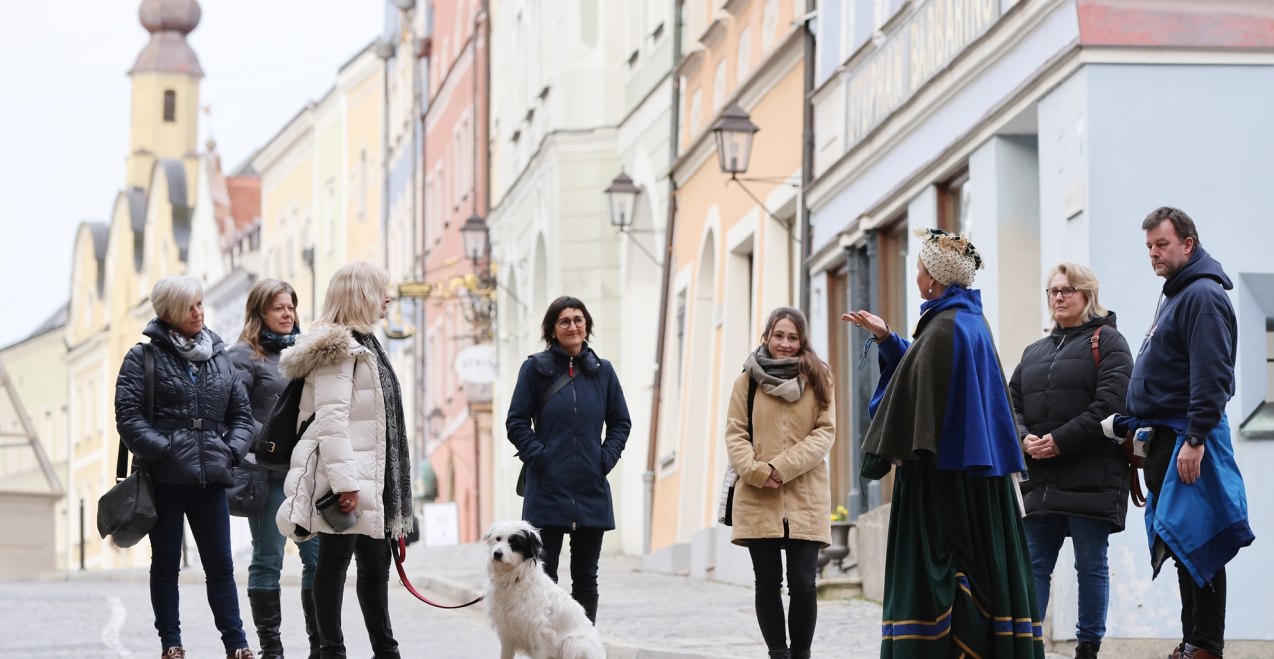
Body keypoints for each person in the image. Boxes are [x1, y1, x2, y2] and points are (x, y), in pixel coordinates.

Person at [844, 229, 1044, 658]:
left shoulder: (946, 329)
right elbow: (924, 381)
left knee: (951, 574)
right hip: (974, 478)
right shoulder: (966, 321)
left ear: (934, 279)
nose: (916, 276)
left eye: (919, 269)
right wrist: (888, 339)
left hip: (944, 484)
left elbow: (915, 390)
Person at [1107, 207, 1254, 659]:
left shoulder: (1203, 295)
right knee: (1181, 542)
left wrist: (1195, 440)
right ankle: (1193, 641)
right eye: (1149, 246)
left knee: (1199, 540)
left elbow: (1213, 378)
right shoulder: (1176, 293)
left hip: (1189, 440)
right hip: (1169, 438)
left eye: (1162, 244)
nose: (1153, 253)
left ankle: (1205, 646)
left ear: (1188, 244)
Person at [113, 275, 257, 659]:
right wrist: (166, 451)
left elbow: (241, 416)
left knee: (221, 566)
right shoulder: (141, 358)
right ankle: (171, 644)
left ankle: (237, 644)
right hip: (164, 478)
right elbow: (128, 419)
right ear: (170, 312)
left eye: (200, 304)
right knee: (165, 565)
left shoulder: (219, 357)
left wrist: (229, 452)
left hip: (211, 477)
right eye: (190, 306)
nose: (199, 311)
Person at [275, 263, 412, 658]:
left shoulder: (369, 344)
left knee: (375, 568)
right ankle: (332, 651)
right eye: (381, 290)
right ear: (362, 295)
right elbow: (332, 423)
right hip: (350, 478)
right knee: (335, 565)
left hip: (375, 477)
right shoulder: (339, 349)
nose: (388, 298)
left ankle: (386, 651)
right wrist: (345, 484)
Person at [1008, 262, 1133, 659]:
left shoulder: (1109, 342)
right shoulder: (1034, 351)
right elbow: (1008, 404)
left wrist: (1059, 441)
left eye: (1067, 290)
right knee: (1033, 564)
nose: (1058, 297)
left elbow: (1111, 406)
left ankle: (1087, 648)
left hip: (1091, 474)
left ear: (1086, 295)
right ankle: (1028, 646)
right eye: (1053, 291)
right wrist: (1023, 437)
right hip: (1041, 478)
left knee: (1090, 565)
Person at [505, 295, 632, 624]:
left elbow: (620, 422)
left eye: (578, 319)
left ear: (587, 325)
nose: (573, 326)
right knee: (544, 578)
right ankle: (549, 646)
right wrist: (541, 457)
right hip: (547, 489)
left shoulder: (603, 372)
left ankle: (582, 643)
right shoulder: (535, 369)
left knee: (587, 579)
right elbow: (516, 422)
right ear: (552, 329)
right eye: (565, 321)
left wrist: (604, 459)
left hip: (591, 487)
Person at [723, 307, 835, 659]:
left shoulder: (819, 377)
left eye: (792, 337)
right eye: (779, 335)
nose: (785, 344)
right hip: (758, 495)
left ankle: (801, 654)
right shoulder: (747, 381)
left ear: (802, 340)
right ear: (767, 336)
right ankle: (778, 654)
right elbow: (735, 434)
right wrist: (758, 472)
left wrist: (780, 468)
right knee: (767, 583)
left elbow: (824, 433)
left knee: (803, 583)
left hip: (806, 494)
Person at [227, 279, 320, 658]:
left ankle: (321, 646)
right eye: (279, 307)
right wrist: (261, 447)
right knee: (269, 557)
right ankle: (272, 649)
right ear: (260, 312)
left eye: (291, 307)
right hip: (268, 474)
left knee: (317, 560)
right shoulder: (244, 357)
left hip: (310, 472)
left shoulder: (307, 353)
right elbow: (235, 414)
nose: (287, 314)